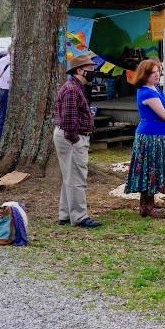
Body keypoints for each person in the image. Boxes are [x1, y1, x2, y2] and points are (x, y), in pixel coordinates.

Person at [125, 59, 165, 218]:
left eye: (158, 71)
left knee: (151, 169)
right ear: (145, 74)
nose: (157, 74)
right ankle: (147, 206)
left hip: (159, 135)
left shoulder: (154, 89)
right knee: (150, 170)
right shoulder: (147, 92)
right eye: (154, 72)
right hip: (151, 136)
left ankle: (148, 204)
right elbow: (164, 115)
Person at [53, 54, 101, 228]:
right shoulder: (72, 90)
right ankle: (79, 217)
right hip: (72, 137)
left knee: (69, 176)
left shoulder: (76, 87)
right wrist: (75, 140)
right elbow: (68, 119)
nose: (93, 71)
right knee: (77, 178)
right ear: (79, 70)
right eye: (90, 69)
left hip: (71, 136)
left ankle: (65, 214)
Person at [0, 47, 12, 143]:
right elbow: (8, 77)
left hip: (12, 91)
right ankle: (0, 140)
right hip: (6, 91)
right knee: (3, 116)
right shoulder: (4, 61)